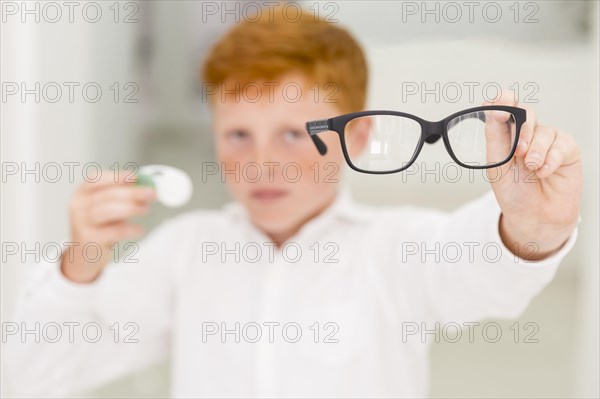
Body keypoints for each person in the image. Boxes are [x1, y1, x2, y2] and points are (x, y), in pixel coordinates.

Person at [5, 5, 582, 398]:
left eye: (291, 134)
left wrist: (531, 227)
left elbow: (486, 270)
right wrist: (78, 267)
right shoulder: (185, 251)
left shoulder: (397, 248)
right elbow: (34, 373)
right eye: (237, 135)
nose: (259, 163)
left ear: (356, 137)